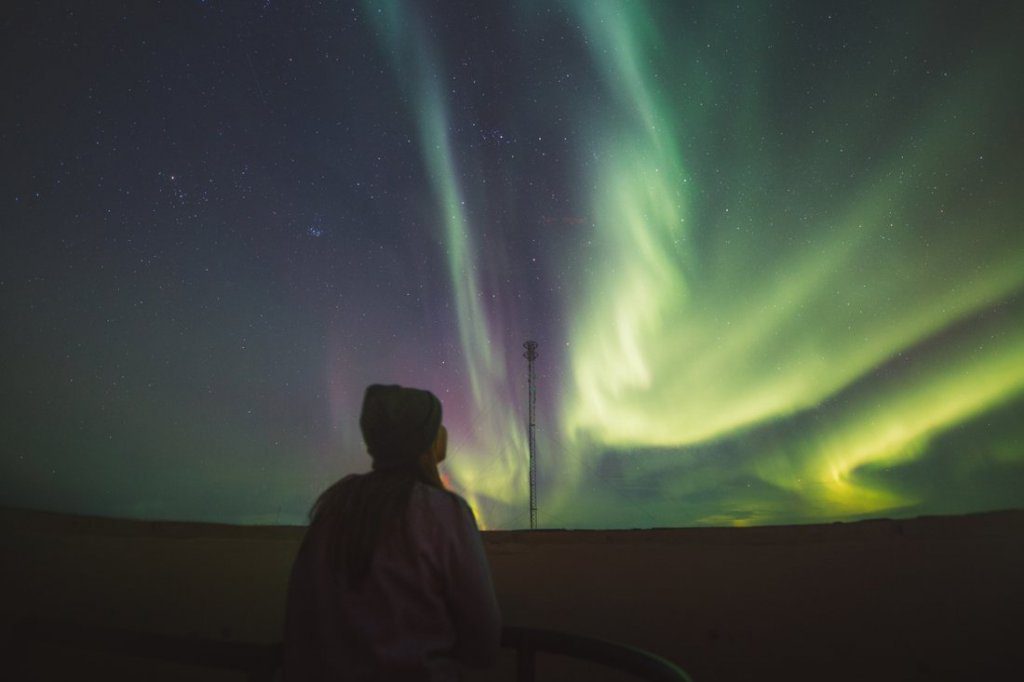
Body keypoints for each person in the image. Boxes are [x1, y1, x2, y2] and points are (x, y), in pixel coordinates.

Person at [284, 384, 502, 681]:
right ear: (425, 440)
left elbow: (299, 621)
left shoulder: (334, 505)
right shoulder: (445, 512)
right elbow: (483, 642)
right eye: (437, 424)